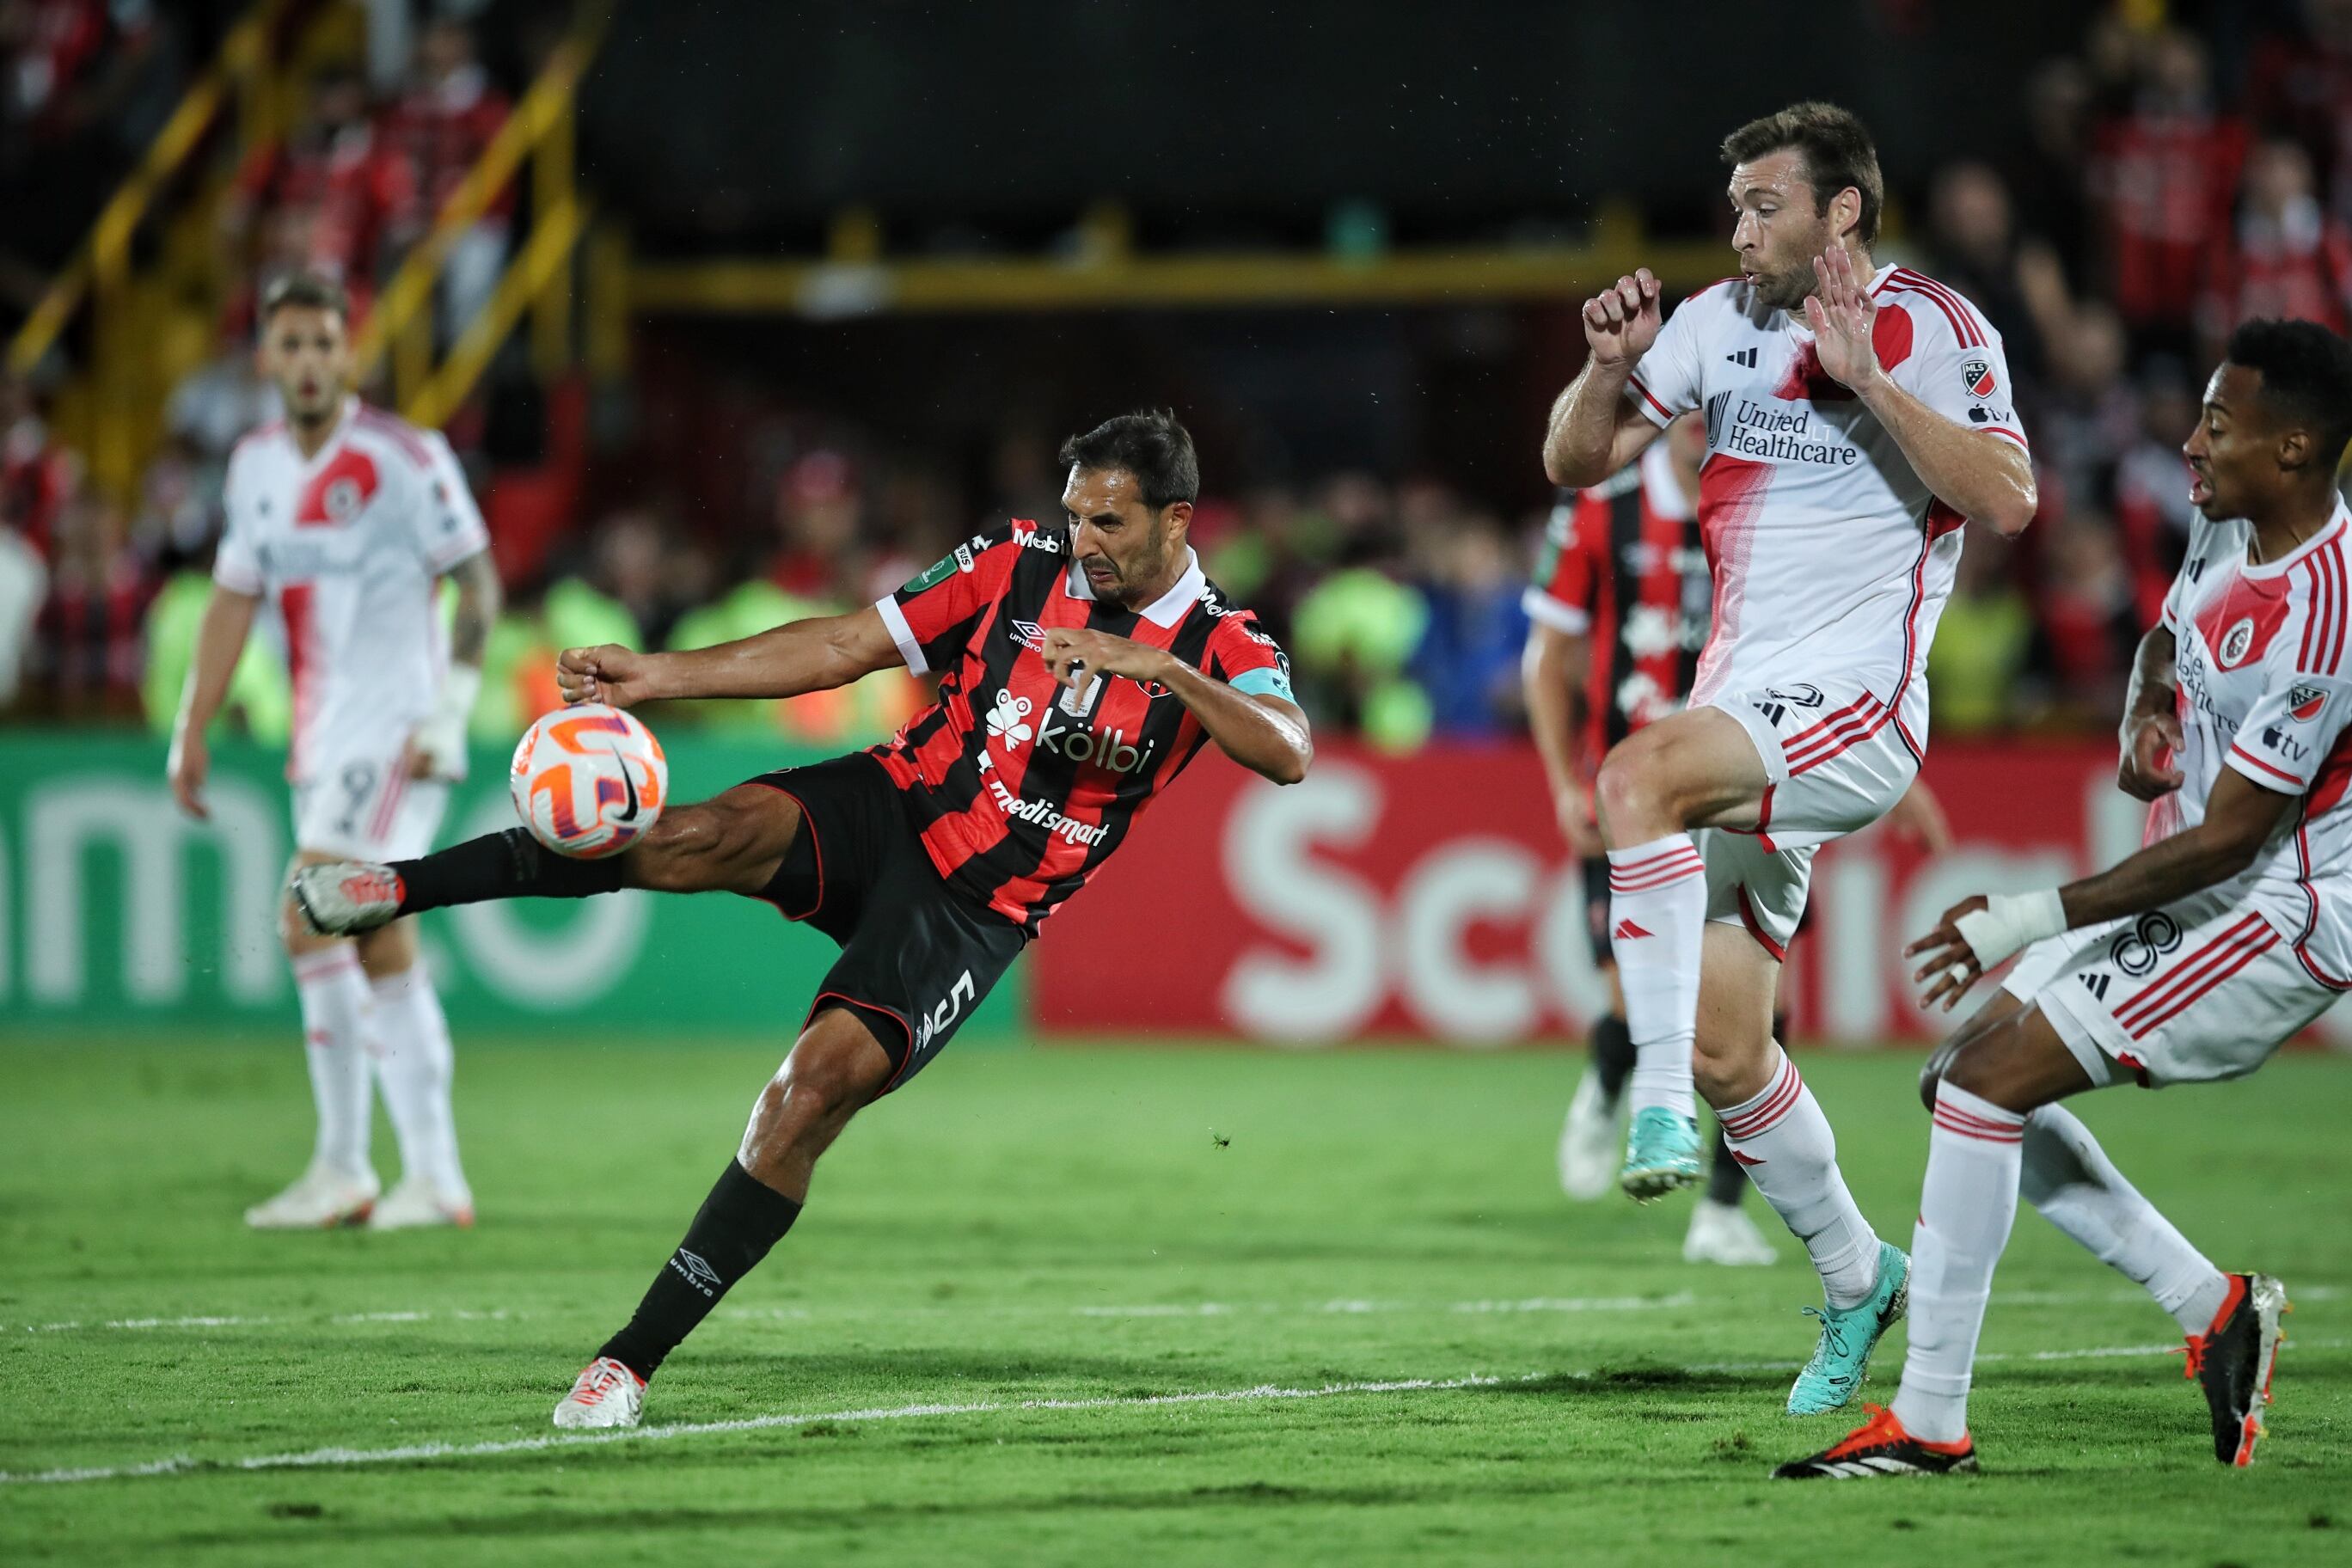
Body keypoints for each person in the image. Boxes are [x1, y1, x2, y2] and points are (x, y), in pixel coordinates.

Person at [289, 411, 1312, 1430]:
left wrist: (1168, 673)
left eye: (1111, 524)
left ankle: (626, 1363)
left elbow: (1288, 751)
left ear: (1176, 520)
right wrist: (661, 678)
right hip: (896, 801)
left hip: (973, 910)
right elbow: (841, 644)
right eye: (1076, 515)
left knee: (804, 1098)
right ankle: (392, 887)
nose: (1084, 542)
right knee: (688, 835)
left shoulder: (1224, 642)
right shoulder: (1016, 559)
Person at [1777, 320, 2352, 1479]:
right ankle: (2215, 1305)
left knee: (1989, 1086)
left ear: (2295, 449)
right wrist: (2150, 705)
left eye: (2218, 427)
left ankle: (1931, 1425)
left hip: (2281, 908)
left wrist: (2035, 913)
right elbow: (2167, 634)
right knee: (1961, 1082)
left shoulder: (2331, 610)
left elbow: (2240, 837)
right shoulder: (2223, 519)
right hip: (2204, 874)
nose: (2188, 444)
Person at [1540, 101, 2037, 1413]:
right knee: (1728, 1045)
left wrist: (1867, 378)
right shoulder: (1712, 325)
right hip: (1749, 709)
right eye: (1737, 206)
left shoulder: (1937, 327)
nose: (1739, 228)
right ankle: (1857, 1273)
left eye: (1766, 206)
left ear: (1843, 214)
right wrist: (1606, 372)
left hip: (1862, 706)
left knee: (1630, 780)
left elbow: (2007, 501)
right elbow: (1571, 463)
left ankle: (1648, 1105)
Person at [168, 272, 501, 1231]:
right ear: (266, 357)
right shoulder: (254, 467)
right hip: (320, 733)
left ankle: (348, 1165)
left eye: (325, 343)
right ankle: (429, 1177)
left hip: (398, 728)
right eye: (292, 344)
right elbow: (234, 595)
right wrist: (194, 724)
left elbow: (477, 585)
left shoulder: (405, 456)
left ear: (349, 353)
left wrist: (453, 709)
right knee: (379, 935)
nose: (309, 362)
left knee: (312, 909)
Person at [1522, 415, 1776, 1265]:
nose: (1712, 431)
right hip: (1629, 794)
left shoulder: (1772, 507)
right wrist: (1565, 779)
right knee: (1639, 1004)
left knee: (1760, 1017)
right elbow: (1547, 656)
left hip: (1739, 794)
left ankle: (1722, 1213)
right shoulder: (1601, 511)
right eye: (1699, 411)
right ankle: (1605, 1081)